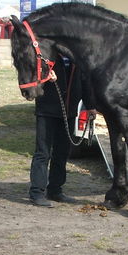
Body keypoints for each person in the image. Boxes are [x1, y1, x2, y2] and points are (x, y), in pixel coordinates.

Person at [29, 55, 96, 207]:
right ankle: (37, 193)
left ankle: (55, 190)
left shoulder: (76, 57)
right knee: (43, 152)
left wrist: (90, 105)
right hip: (47, 111)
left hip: (69, 112)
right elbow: (30, 76)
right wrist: (45, 77)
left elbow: (85, 82)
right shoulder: (45, 55)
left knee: (62, 152)